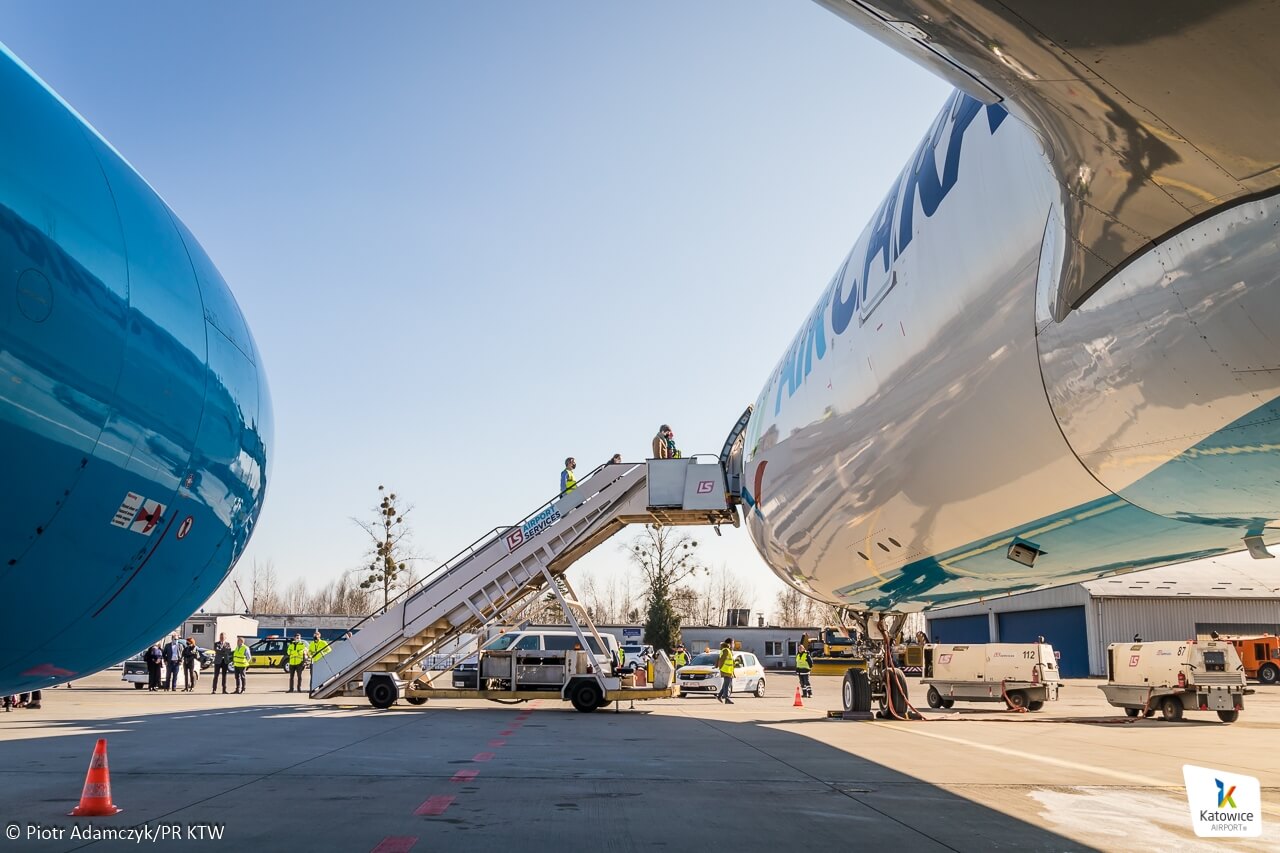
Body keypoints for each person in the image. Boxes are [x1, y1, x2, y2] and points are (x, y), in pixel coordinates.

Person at [716, 639, 736, 704]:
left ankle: (719, 696)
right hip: (725, 670)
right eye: (733, 643)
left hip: (729, 670)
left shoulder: (727, 650)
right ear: (729, 644)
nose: (734, 645)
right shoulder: (726, 650)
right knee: (727, 684)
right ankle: (726, 698)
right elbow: (721, 659)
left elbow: (719, 658)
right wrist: (720, 667)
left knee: (726, 683)